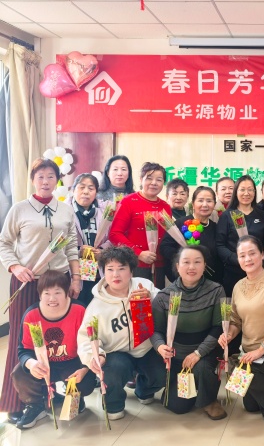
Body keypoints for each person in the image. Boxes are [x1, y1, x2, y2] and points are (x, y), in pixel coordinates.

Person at [0, 158, 80, 422]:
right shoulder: (20, 209)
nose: (46, 182)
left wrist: (76, 277)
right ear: (33, 180)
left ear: (57, 180)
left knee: (56, 337)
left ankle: (48, 396)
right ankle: (15, 400)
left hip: (59, 281)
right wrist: (14, 267)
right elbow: (4, 243)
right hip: (27, 281)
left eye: (50, 176)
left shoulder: (65, 210)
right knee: (22, 339)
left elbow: (71, 246)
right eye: (40, 177)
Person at [77, 246, 165, 420]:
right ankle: (113, 404)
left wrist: (151, 297)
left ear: (131, 271)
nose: (116, 275)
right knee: (113, 370)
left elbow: (165, 304)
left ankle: (143, 389)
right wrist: (95, 356)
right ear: (103, 272)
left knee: (161, 373)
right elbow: (86, 339)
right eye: (110, 269)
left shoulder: (144, 286)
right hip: (116, 353)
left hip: (146, 348)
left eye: (121, 268)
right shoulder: (96, 306)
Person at [218, 236, 264, 422]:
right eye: (242, 255)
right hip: (250, 348)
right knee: (251, 406)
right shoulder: (238, 286)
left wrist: (261, 350)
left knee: (263, 401)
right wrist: (229, 334)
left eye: (252, 253)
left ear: (262, 255)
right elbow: (236, 320)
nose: (247, 259)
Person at [12, 271, 96, 429]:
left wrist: (85, 368)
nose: (52, 298)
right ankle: (35, 406)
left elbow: (90, 344)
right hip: (43, 365)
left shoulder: (79, 310)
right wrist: (31, 364)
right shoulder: (32, 315)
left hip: (72, 363)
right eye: (47, 293)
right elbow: (24, 350)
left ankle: (76, 398)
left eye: (57, 292)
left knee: (85, 382)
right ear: (40, 295)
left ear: (67, 293)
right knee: (20, 374)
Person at [151, 245, 227, 419]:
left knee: (202, 368)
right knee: (177, 406)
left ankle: (209, 400)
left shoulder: (216, 290)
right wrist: (160, 346)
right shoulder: (164, 296)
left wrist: (198, 353)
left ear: (204, 265)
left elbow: (218, 327)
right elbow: (156, 330)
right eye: (186, 262)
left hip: (205, 352)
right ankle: (189, 386)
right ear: (177, 266)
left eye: (197, 262)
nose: (191, 267)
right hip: (177, 356)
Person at [109, 162, 172, 288]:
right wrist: (138, 253)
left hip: (159, 267)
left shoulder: (165, 207)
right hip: (135, 264)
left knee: (157, 298)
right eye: (149, 178)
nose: (154, 183)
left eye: (159, 180)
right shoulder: (128, 202)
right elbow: (115, 234)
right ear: (141, 179)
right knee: (136, 298)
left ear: (163, 183)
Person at [216, 175, 264, 296]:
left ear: (255, 192)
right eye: (242, 189)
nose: (246, 193)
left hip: (258, 271)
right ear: (236, 192)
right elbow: (220, 245)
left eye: (250, 189)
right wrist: (239, 259)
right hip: (233, 271)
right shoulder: (227, 216)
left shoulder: (261, 215)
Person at [160, 186, 223, 285]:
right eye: (200, 200)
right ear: (193, 204)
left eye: (209, 201)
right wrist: (185, 260)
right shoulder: (180, 224)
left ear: (214, 204)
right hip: (183, 281)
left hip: (209, 283)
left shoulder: (216, 227)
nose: (205, 204)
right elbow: (165, 247)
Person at [69, 173, 113, 306]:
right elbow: (61, 240)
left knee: (99, 307)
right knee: (79, 307)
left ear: (96, 192)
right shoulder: (65, 210)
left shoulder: (106, 210)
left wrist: (103, 251)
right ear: (73, 190)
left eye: (91, 188)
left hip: (100, 270)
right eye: (81, 187)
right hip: (75, 272)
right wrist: (78, 251)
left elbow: (113, 236)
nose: (86, 192)